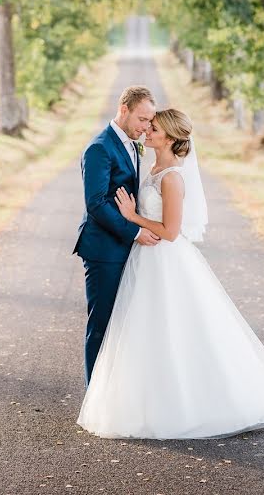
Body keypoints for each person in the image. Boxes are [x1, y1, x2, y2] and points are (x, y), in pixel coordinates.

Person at [77, 108, 264, 439]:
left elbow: (171, 231)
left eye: (155, 129)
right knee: (142, 332)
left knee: (176, 331)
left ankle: (189, 404)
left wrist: (133, 218)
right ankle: (142, 399)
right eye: (147, 125)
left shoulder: (173, 177)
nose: (148, 131)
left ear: (171, 137)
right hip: (144, 259)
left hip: (165, 259)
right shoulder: (151, 166)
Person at [73, 85, 161, 386]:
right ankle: (94, 397)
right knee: (101, 325)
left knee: (125, 323)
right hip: (104, 250)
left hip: (125, 248)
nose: (146, 127)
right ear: (123, 109)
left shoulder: (131, 143)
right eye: (141, 119)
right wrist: (136, 232)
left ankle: (117, 392)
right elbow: (96, 203)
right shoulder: (99, 148)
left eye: (150, 121)